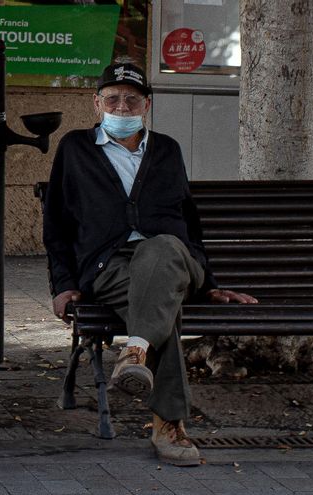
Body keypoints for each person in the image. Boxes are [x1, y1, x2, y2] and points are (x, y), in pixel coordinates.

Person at [42, 63, 258, 466]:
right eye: (112, 99)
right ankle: (168, 423)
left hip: (175, 258)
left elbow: (188, 223)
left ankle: (135, 352)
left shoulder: (168, 150)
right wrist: (63, 283)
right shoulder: (74, 148)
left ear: (147, 105)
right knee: (162, 305)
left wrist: (208, 281)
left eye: (132, 100)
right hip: (110, 268)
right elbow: (56, 223)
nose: (122, 108)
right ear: (96, 103)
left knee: (161, 250)